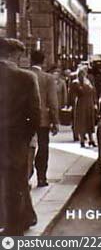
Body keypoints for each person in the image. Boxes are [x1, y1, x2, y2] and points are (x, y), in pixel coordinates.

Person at [0, 38, 41, 235]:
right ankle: (14, 226)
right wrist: (27, 135)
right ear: (12, 54)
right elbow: (35, 113)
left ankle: (22, 218)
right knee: (16, 181)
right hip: (16, 138)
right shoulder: (26, 78)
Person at [29, 50, 59, 188]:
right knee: (43, 147)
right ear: (43, 61)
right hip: (43, 120)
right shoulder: (48, 78)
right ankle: (41, 178)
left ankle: (27, 174)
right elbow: (53, 102)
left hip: (25, 120)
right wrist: (55, 122)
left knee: (27, 147)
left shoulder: (24, 75)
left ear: (31, 60)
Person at [72, 68, 97, 148]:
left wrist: (95, 103)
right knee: (82, 122)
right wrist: (84, 84)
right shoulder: (76, 83)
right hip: (81, 104)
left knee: (90, 122)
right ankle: (82, 140)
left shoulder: (89, 82)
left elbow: (93, 92)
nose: (84, 75)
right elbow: (81, 92)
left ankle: (91, 140)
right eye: (82, 73)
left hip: (89, 104)